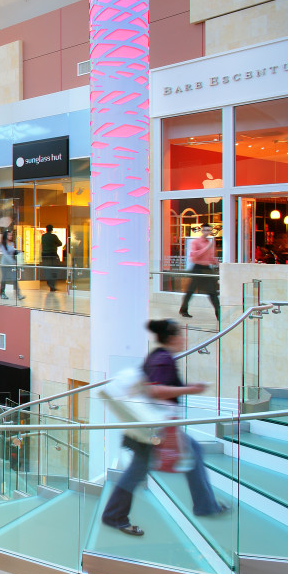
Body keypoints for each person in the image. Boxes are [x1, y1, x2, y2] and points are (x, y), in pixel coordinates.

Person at [101, 319, 230, 536]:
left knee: (185, 454)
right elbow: (156, 391)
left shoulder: (157, 356)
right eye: (181, 334)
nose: (184, 338)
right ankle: (114, 515)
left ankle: (205, 505)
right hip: (155, 428)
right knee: (138, 470)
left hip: (151, 426)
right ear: (171, 338)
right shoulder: (163, 359)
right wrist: (192, 389)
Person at [180, 224, 220, 321]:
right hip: (197, 268)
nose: (207, 232)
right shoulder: (196, 242)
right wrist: (207, 248)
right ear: (202, 231)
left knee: (212, 292)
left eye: (209, 230)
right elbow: (193, 255)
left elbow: (209, 257)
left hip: (207, 268)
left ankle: (219, 314)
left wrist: (217, 262)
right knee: (190, 291)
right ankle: (183, 310)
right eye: (205, 230)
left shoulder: (209, 243)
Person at [0, 229, 24, 301]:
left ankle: (18, 294)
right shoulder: (3, 245)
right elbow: (6, 255)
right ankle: (2, 293)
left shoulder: (11, 244)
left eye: (11, 235)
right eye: (9, 235)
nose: (11, 236)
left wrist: (17, 251)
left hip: (11, 264)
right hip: (5, 264)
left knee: (14, 278)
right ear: (6, 236)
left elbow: (12, 252)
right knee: (4, 278)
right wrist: (13, 262)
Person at [40, 224, 63, 292]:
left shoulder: (43, 236)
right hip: (53, 255)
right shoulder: (53, 236)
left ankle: (49, 283)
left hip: (44, 256)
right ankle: (52, 284)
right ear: (52, 229)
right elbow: (60, 243)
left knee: (47, 270)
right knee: (55, 269)